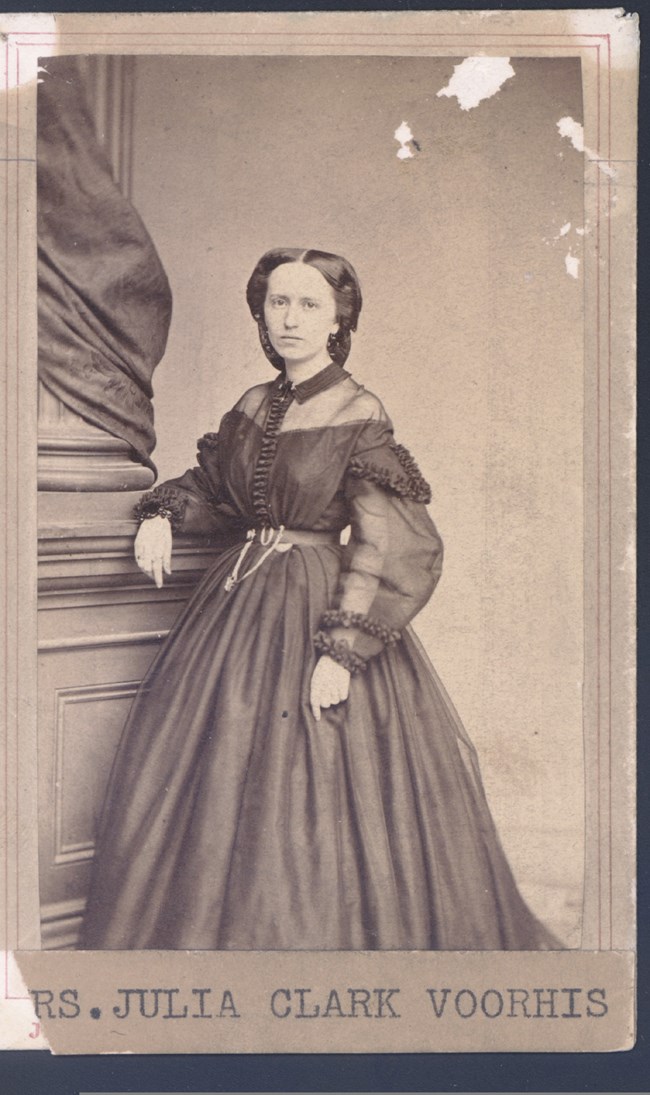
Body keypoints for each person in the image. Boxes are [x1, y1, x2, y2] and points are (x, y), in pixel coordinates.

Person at [79, 247, 559, 951]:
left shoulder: (359, 411)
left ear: (339, 317)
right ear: (261, 313)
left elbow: (391, 540)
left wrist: (343, 647)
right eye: (278, 302)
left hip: (316, 606)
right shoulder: (251, 404)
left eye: (308, 304)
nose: (291, 318)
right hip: (235, 608)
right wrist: (162, 511)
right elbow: (214, 490)